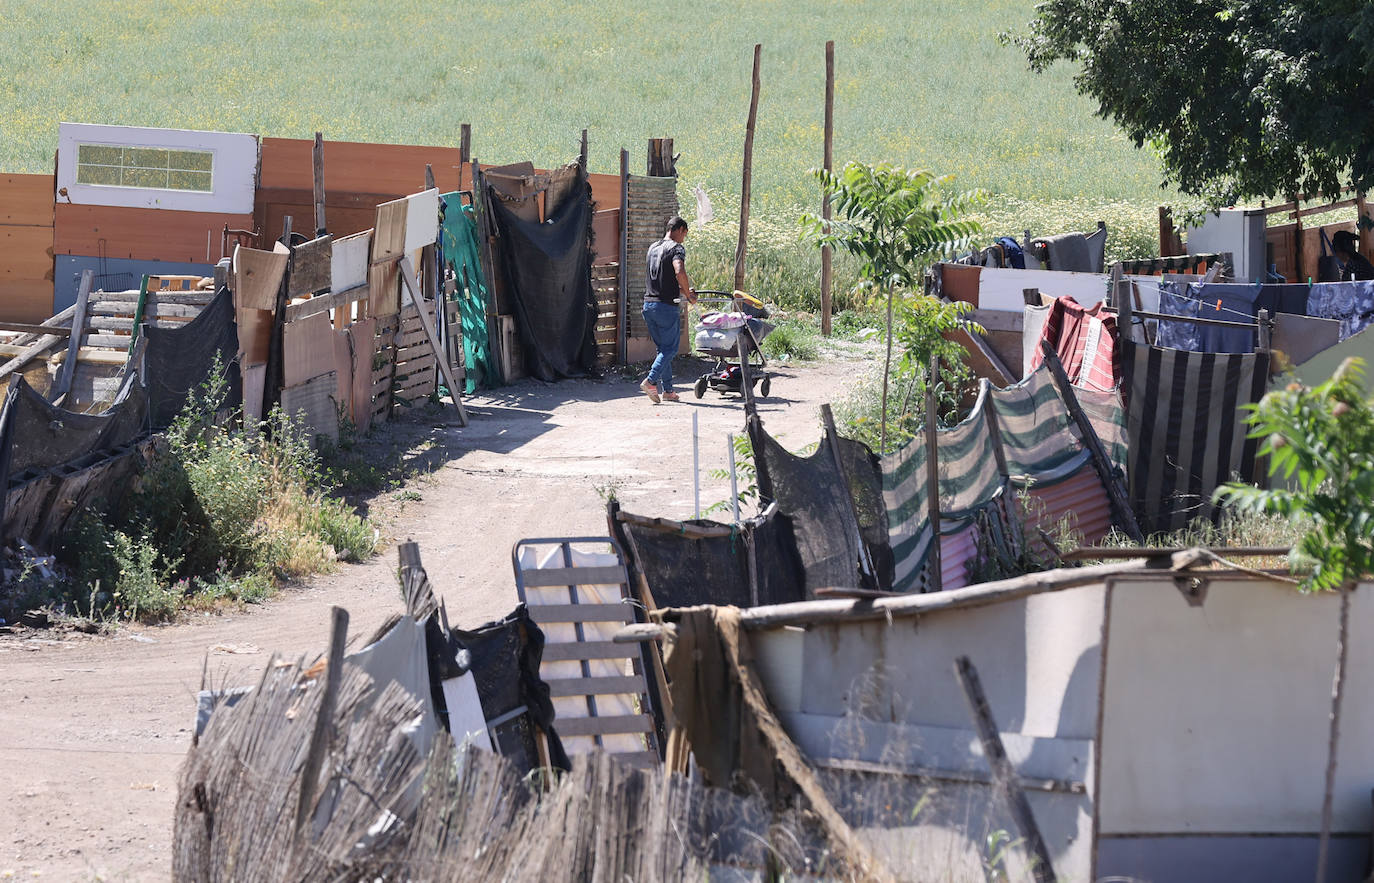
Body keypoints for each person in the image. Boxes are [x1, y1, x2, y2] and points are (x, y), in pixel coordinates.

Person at [641, 216, 697, 403]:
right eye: (684, 235)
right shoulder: (676, 248)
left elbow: (662, 280)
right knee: (671, 348)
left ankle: (668, 391)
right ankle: (650, 381)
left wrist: (685, 291)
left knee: (663, 349)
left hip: (649, 305)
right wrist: (688, 295)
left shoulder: (653, 248)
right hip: (665, 306)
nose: (684, 239)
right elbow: (678, 271)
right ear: (680, 229)